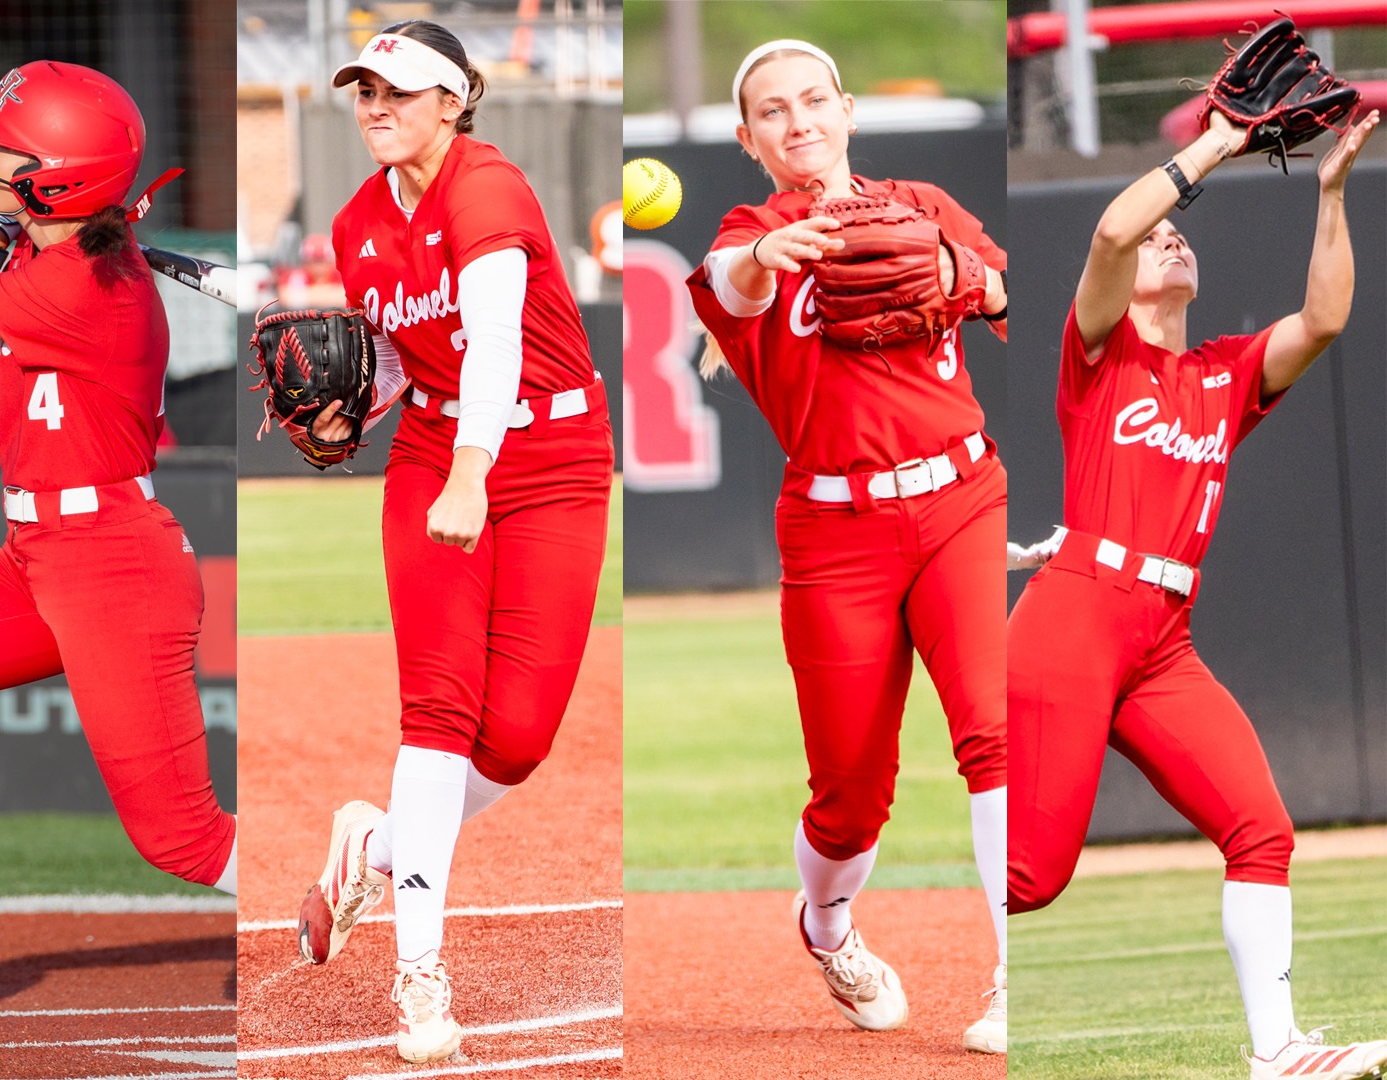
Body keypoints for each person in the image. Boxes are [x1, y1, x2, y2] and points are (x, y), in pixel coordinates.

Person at [0, 60, 238, 1010]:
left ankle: (355, 863)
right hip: (35, 559)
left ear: (58, 179)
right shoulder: (54, 259)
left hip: (113, 567)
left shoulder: (85, 287)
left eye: (4, 150)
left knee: (183, 843)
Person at [1007, 100, 1383, 1080]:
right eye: (1159, 235)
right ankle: (904, 921)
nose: (1169, 238)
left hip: (1162, 638)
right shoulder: (1096, 356)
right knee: (1030, 877)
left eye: (1182, 235)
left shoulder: (1221, 375)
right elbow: (1110, 230)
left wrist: (1333, 193)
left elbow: (1328, 317)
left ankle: (1280, 1052)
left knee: (1261, 829)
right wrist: (1216, 145)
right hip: (1077, 615)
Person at [282, 19, 614, 1065]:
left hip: (549, 459)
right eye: (363, 91)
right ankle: (420, 976)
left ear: (456, 99)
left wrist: (478, 471)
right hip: (434, 453)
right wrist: (352, 411)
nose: (376, 107)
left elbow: (499, 339)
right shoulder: (352, 222)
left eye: (399, 89)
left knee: (515, 739)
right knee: (438, 708)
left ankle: (373, 844)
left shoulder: (489, 189)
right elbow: (402, 358)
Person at [685, 39, 1011, 1054]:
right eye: (773, 112)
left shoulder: (920, 197)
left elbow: (998, 289)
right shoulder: (755, 229)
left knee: (995, 735)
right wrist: (759, 261)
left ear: (849, 109)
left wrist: (949, 264)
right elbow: (726, 281)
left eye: (814, 100)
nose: (799, 121)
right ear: (749, 140)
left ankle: (1014, 979)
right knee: (851, 794)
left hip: (961, 495)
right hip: (836, 530)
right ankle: (826, 924)